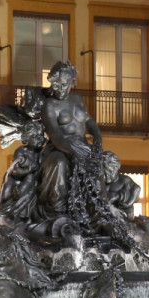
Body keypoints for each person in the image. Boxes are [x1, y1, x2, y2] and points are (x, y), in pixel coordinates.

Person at [36, 61, 104, 221]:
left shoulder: (77, 99)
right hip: (58, 148)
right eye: (56, 85)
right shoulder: (49, 105)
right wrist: (73, 152)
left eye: (64, 84)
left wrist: (98, 141)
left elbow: (90, 122)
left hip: (82, 146)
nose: (58, 88)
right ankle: (56, 211)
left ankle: (96, 211)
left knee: (100, 164)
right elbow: (55, 135)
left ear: (73, 82)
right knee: (59, 164)